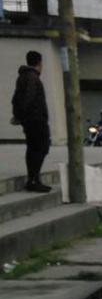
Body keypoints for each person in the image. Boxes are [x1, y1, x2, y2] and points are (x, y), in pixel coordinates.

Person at [10, 51, 51, 193]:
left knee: (33, 148)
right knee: (42, 147)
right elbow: (29, 98)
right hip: (36, 119)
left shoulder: (22, 77)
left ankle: (33, 179)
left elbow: (15, 98)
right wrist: (25, 115)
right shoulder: (33, 78)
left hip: (30, 120)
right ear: (39, 63)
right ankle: (33, 179)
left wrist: (18, 116)